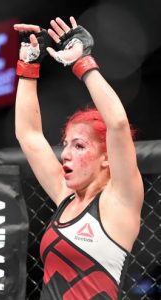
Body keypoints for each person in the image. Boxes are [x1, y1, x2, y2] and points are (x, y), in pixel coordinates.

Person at [14, 16, 144, 300]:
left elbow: (118, 125)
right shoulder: (65, 196)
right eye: (65, 145)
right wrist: (28, 65)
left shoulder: (119, 201)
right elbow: (29, 135)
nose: (66, 154)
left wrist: (82, 63)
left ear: (106, 158)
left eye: (80, 146)